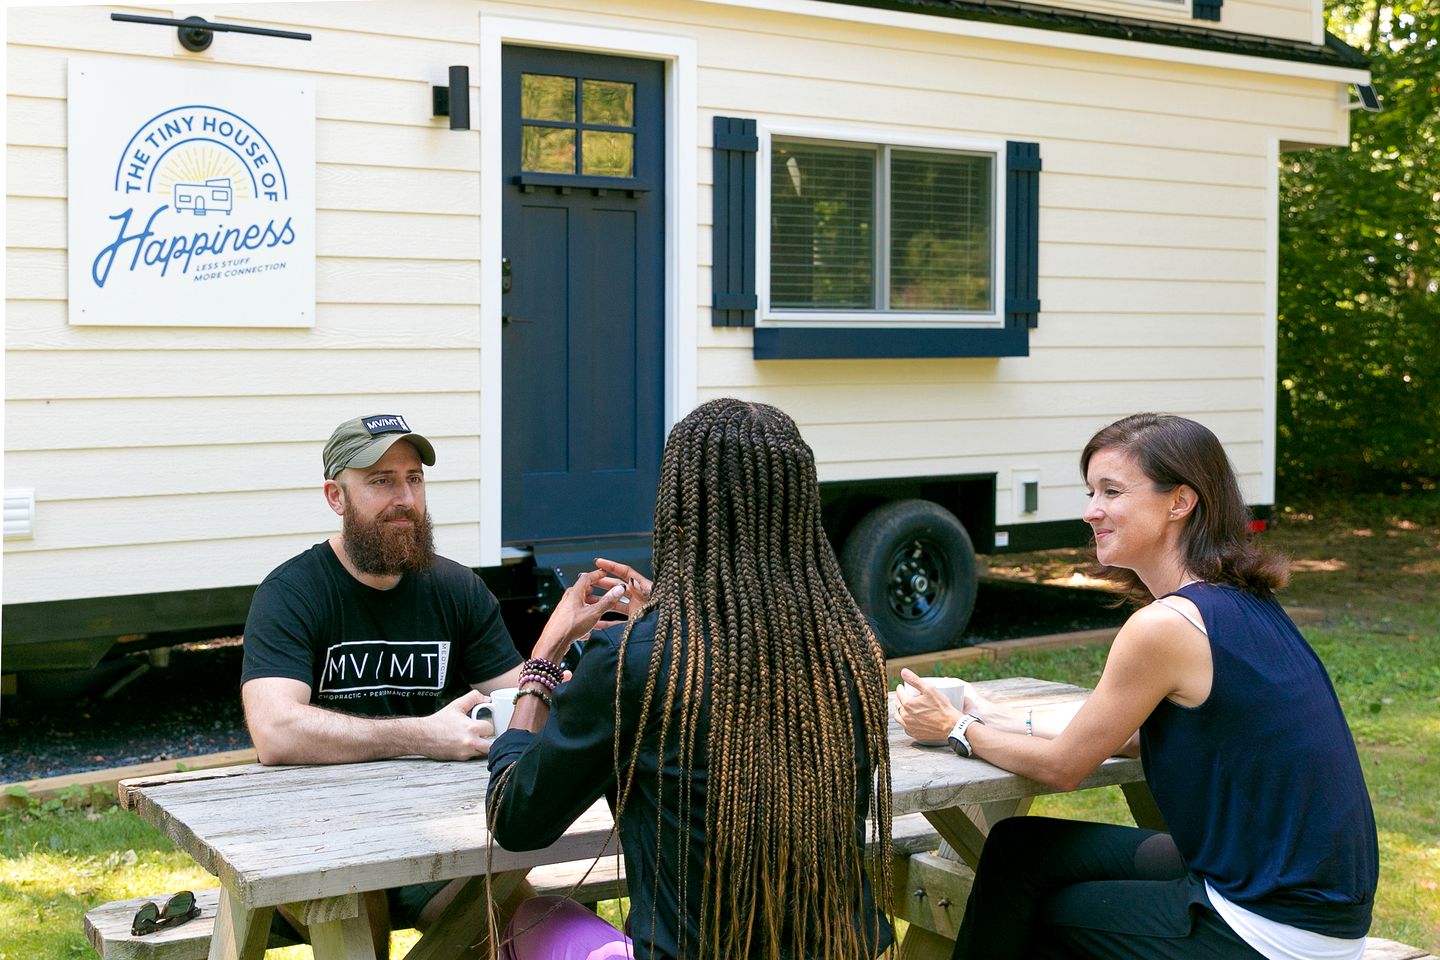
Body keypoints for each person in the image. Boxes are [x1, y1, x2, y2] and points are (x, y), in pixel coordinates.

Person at [897, 412, 1378, 960]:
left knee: (1041, 914)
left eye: (1112, 491)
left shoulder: (1165, 626)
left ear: (1180, 501)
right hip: (1293, 892)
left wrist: (957, 727)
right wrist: (991, 714)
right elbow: (1126, 737)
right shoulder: (1240, 603)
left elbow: (1063, 767)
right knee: (1017, 848)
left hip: (1275, 928)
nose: (1090, 510)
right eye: (1091, 492)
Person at [485, 398, 896, 960]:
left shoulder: (631, 663)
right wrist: (676, 620)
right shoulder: (852, 646)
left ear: (678, 512)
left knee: (531, 917)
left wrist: (544, 660)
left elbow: (516, 820)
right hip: (845, 949)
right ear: (804, 510)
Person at [240, 413, 617, 954]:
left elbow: (521, 698)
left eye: (413, 479)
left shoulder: (455, 588)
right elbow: (275, 732)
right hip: (312, 846)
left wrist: (569, 656)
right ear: (335, 497)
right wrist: (423, 735)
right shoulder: (291, 592)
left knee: (524, 925)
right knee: (354, 924)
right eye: (381, 481)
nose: (405, 499)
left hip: (433, 844)